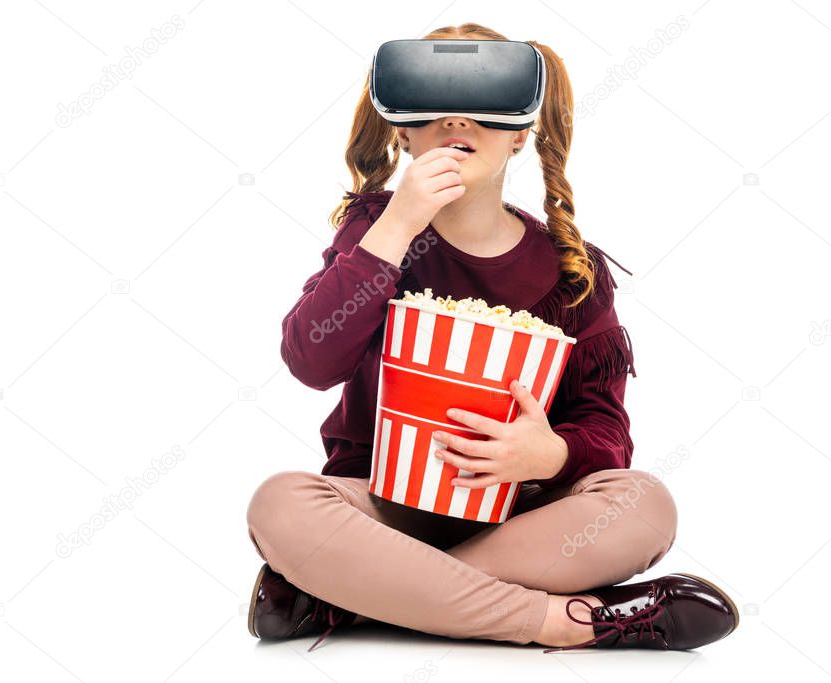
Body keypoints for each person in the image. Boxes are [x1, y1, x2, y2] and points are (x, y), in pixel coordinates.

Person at [246, 22, 737, 654]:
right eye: (432, 108)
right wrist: (395, 226)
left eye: (485, 106)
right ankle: (567, 622)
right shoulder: (373, 233)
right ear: (401, 129)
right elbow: (311, 361)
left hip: (522, 516)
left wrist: (550, 457)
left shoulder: (571, 271)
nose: (457, 124)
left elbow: (606, 429)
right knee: (280, 504)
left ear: (521, 133)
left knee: (645, 505)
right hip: (384, 512)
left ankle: (353, 600)